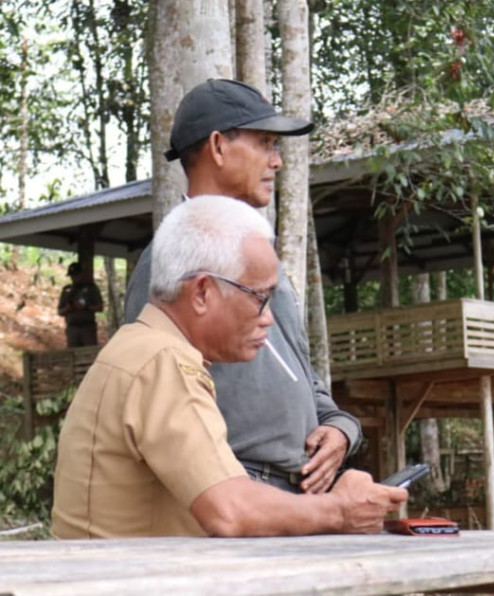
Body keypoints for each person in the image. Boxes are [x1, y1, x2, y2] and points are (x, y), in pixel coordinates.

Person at [52, 196, 408, 538]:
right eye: (259, 298)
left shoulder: (140, 347)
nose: (268, 319)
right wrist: (341, 509)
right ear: (203, 292)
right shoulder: (163, 363)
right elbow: (230, 510)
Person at [124, 79, 358, 495]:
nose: (277, 161)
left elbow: (300, 374)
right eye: (266, 143)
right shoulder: (170, 262)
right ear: (217, 147)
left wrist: (341, 428)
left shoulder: (255, 256)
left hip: (298, 491)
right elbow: (154, 397)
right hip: (237, 491)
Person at [57, 261, 104, 347]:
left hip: (87, 328)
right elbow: (60, 312)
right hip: (72, 328)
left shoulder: (91, 289)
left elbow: (100, 307)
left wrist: (86, 307)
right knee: (73, 354)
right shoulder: (67, 290)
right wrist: (68, 308)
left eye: (76, 275)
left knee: (89, 353)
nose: (74, 278)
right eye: (72, 276)